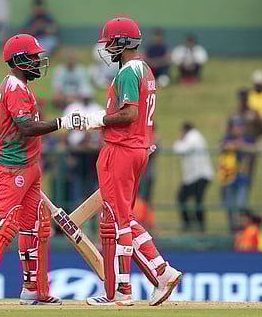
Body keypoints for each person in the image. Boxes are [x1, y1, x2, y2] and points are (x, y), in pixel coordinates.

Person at [0, 34, 80, 306]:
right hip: (12, 165)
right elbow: (26, 127)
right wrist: (63, 122)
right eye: (33, 57)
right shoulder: (14, 87)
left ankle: (33, 288)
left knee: (33, 225)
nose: (37, 61)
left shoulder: (20, 86)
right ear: (20, 59)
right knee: (3, 222)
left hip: (29, 164)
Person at [82, 18, 182, 307]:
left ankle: (124, 292)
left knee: (118, 220)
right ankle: (161, 273)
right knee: (123, 217)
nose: (107, 47)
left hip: (122, 149)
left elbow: (128, 114)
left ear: (123, 42)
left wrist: (96, 120)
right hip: (138, 148)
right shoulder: (147, 70)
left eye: (111, 41)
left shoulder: (128, 71)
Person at [173, 122, 213, 232]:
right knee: (189, 199)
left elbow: (179, 149)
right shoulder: (195, 136)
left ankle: (196, 225)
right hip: (195, 176)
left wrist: (180, 140)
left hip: (199, 176)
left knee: (195, 201)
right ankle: (193, 224)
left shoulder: (193, 137)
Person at [219, 117, 257, 232]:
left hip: (243, 178)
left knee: (241, 205)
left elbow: (256, 149)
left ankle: (241, 228)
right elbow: (221, 146)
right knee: (229, 205)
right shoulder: (228, 138)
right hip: (229, 178)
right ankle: (232, 229)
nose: (238, 129)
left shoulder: (249, 139)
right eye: (236, 126)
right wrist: (233, 145)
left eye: (240, 126)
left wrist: (243, 146)